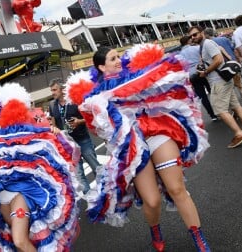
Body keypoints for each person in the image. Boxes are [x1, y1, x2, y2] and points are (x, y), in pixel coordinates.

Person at [65, 44, 211, 251]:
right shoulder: (95, 95)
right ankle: (155, 231)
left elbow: (162, 81)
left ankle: (198, 236)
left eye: (119, 56)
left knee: (177, 188)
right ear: (101, 67)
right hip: (132, 146)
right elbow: (97, 128)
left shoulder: (136, 75)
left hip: (157, 133)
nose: (119, 61)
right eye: (113, 59)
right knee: (151, 201)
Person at [0, 83, 80, 251]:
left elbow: (33, 133)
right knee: (19, 241)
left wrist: (51, 129)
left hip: (19, 191)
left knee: (20, 240)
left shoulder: (7, 124)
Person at [188, 25, 242, 148]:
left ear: (201, 32)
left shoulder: (207, 43)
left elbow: (218, 60)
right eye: (191, 36)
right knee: (236, 106)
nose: (193, 37)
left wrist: (206, 72)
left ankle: (239, 133)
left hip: (218, 82)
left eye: (195, 34)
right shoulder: (203, 45)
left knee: (220, 110)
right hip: (222, 80)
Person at [49, 79, 100, 195]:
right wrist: (54, 129)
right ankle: (90, 199)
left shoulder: (75, 101)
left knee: (96, 167)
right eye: (51, 90)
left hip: (83, 140)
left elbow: (89, 117)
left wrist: (79, 121)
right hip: (69, 146)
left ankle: (106, 193)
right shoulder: (52, 105)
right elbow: (54, 124)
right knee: (79, 174)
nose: (52, 93)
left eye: (54, 90)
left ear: (62, 90)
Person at [203, 27, 242, 108]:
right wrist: (237, 59)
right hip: (232, 65)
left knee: (229, 88)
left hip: (222, 69)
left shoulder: (208, 44)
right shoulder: (224, 39)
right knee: (240, 84)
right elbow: (233, 49)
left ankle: (235, 107)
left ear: (206, 35)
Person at [177, 35, 217, 121]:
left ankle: (212, 115)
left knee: (202, 96)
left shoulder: (179, 55)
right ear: (188, 41)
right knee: (212, 90)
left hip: (192, 76)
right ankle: (219, 109)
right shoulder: (197, 48)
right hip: (202, 71)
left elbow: (181, 68)